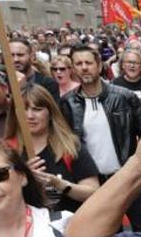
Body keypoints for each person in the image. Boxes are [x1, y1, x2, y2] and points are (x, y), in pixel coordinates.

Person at [63, 44, 141, 230]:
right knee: (108, 233)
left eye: (88, 62)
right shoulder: (68, 103)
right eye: (78, 63)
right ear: (73, 68)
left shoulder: (125, 97)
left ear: (99, 66)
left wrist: (138, 166)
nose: (84, 67)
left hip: (127, 176)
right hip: (94, 184)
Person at [8, 84, 101, 213]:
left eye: (37, 109)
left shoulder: (69, 146)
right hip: (27, 227)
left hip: (69, 226)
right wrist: (22, 176)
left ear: (50, 113)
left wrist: (59, 184)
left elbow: (93, 192)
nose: (30, 116)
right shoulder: (7, 151)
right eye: (24, 109)